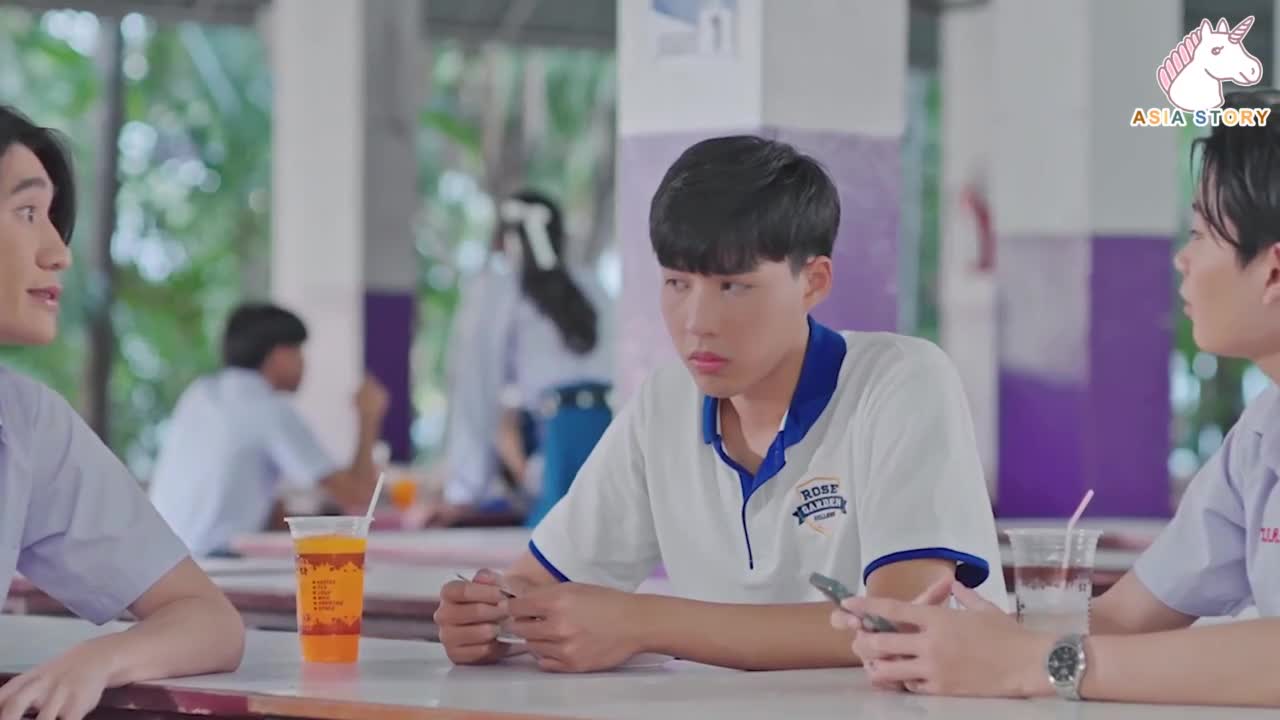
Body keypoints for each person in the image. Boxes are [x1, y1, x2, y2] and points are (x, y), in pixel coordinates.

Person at [433, 136, 1005, 673]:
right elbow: (537, 586)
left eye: (733, 286)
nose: (697, 323)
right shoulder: (664, 405)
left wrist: (642, 622)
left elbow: (901, 624)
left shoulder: (900, 381)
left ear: (812, 282)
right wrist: (490, 617)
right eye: (677, 284)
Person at [838, 89, 1280, 709]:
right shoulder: (1261, 436)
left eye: (1201, 234)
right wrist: (954, 642)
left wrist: (1040, 663)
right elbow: (1126, 618)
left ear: (1273, 271)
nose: (1182, 260)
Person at [0, 105, 244, 720]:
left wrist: (100, 659)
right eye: (27, 213)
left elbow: (208, 620)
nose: (58, 252)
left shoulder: (26, 422)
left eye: (52, 218)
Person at [148, 303, 389, 557]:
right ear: (279, 355)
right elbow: (357, 495)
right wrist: (368, 418)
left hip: (165, 559)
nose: (304, 363)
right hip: (215, 559)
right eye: (298, 351)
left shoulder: (200, 392)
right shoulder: (269, 409)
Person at [435, 189, 614, 528]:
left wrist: (465, 490)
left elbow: (476, 391)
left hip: (556, 436)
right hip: (606, 429)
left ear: (506, 240)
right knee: (596, 535)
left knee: (552, 542)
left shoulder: (500, 289)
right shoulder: (593, 285)